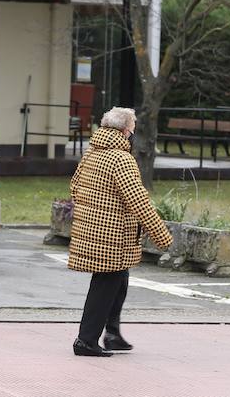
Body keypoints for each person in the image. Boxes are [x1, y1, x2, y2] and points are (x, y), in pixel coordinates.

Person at [66, 107, 173, 357]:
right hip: (113, 234)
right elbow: (139, 201)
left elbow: (74, 187)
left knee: (118, 279)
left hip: (94, 230)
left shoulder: (92, 152)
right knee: (106, 283)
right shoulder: (121, 159)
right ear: (125, 131)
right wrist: (162, 237)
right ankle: (86, 340)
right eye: (132, 129)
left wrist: (92, 213)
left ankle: (112, 333)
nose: (133, 133)